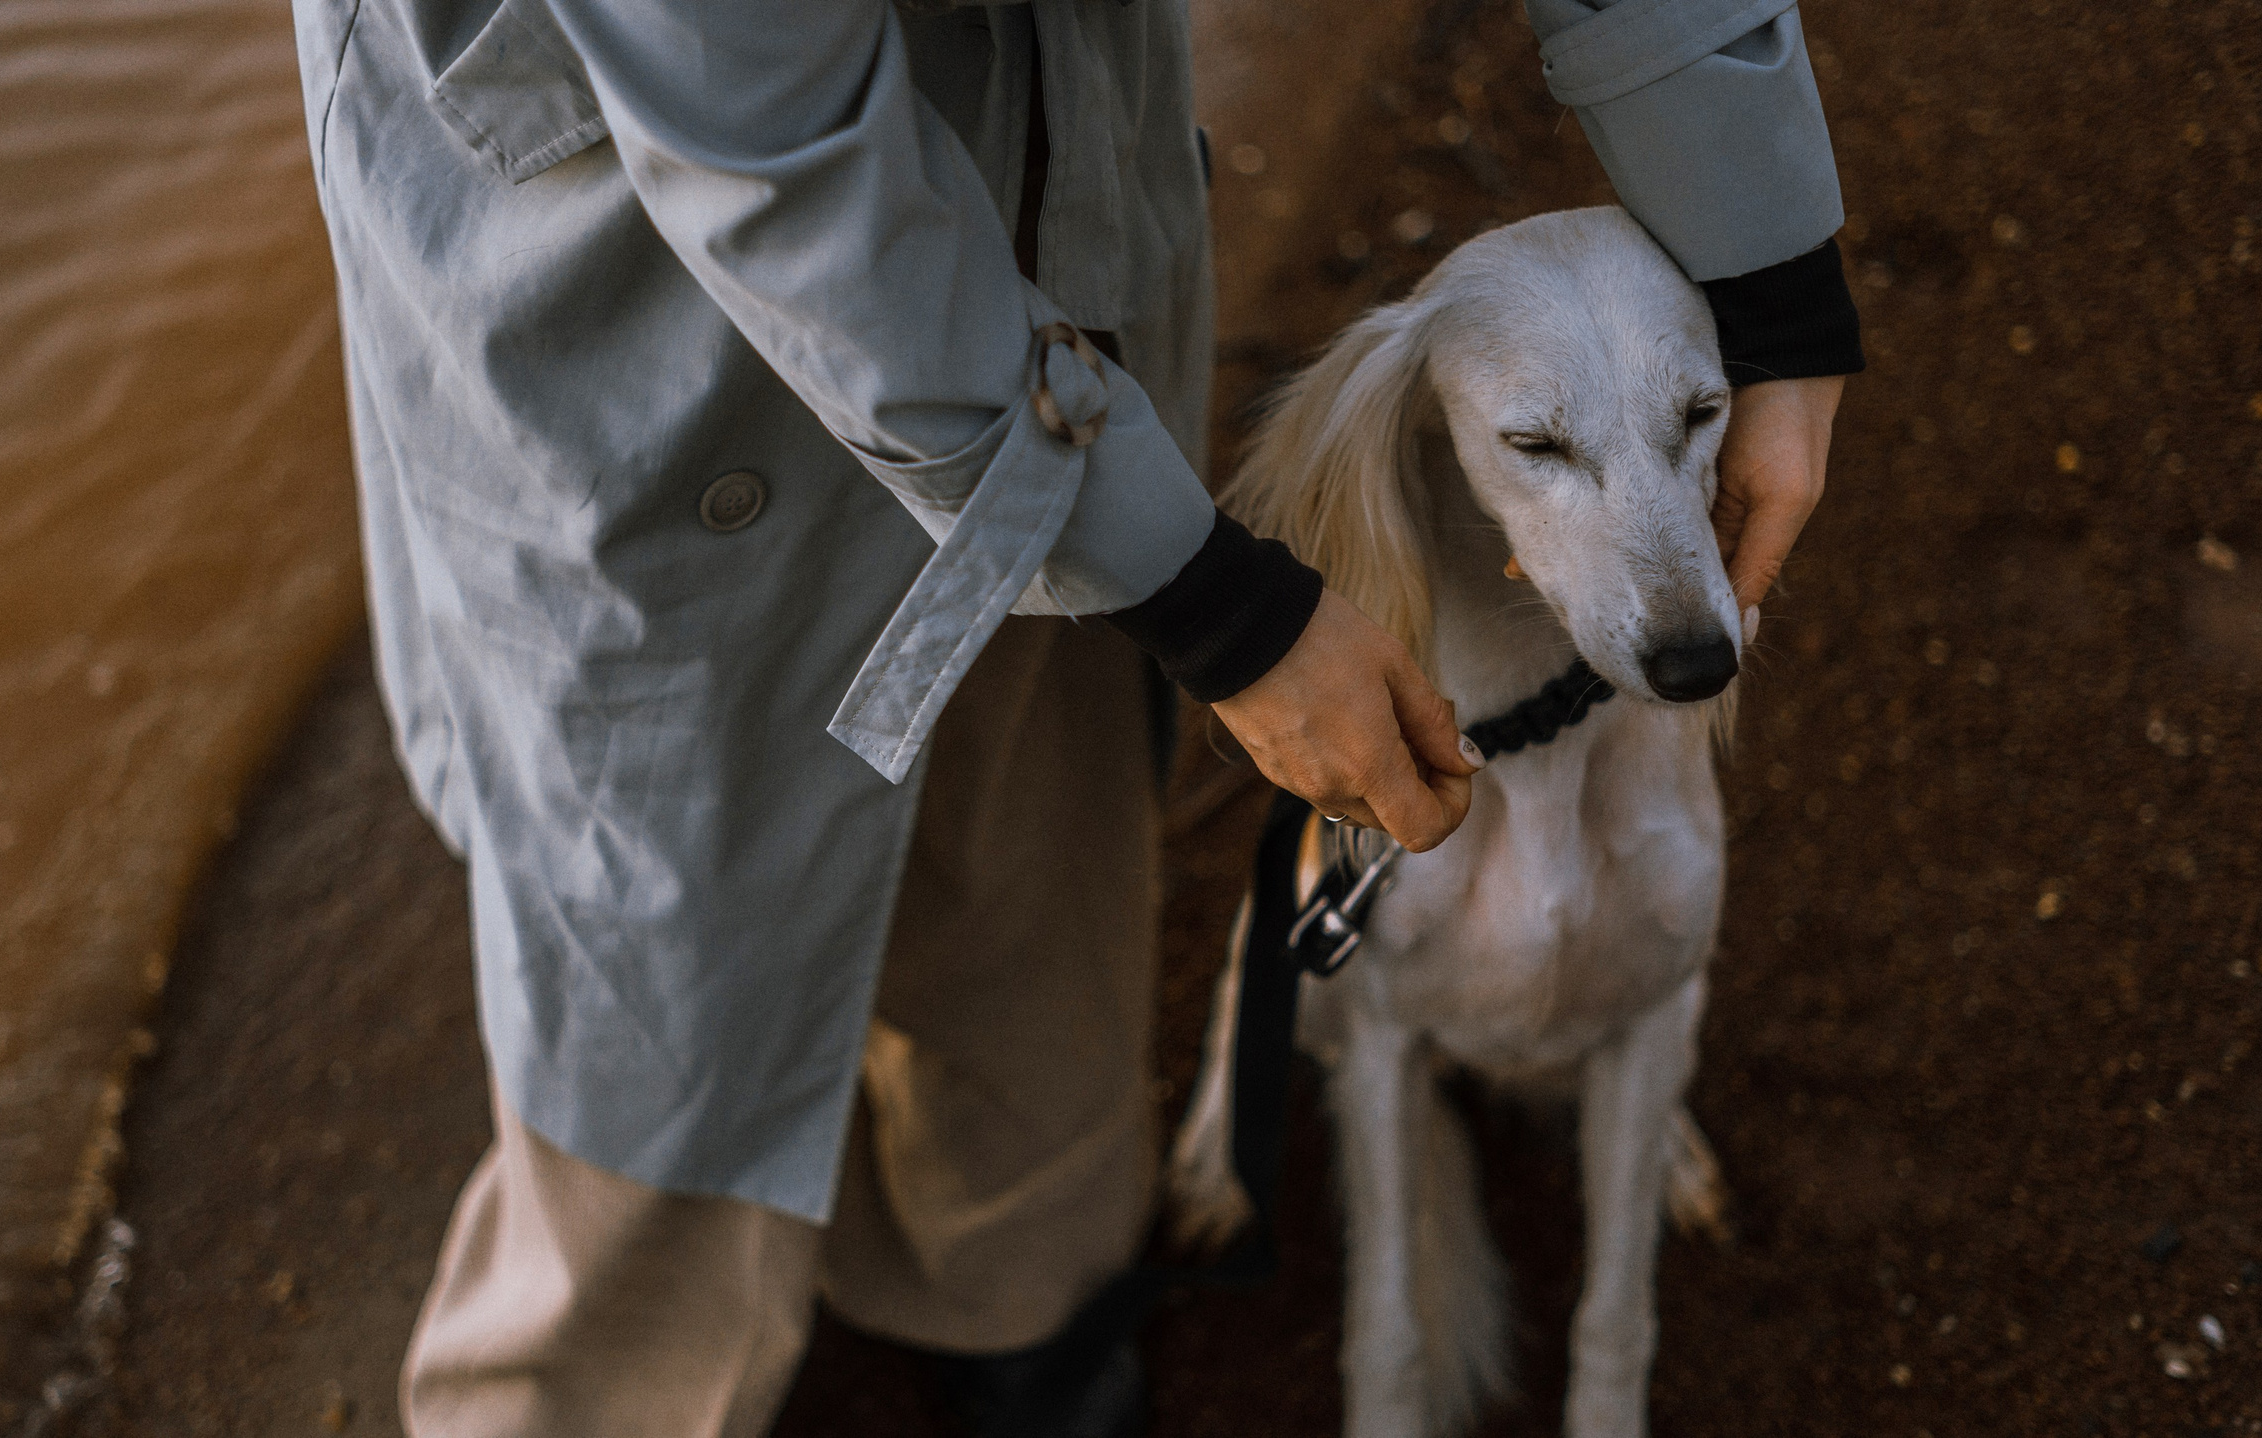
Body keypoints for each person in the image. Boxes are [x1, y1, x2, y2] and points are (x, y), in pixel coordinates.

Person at [289, 0, 1863, 1433]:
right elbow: (776, 153)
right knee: (666, 886)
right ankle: (599, 1382)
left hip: (1038, 131)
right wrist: (1221, 610)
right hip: (634, 208)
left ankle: (1007, 1288)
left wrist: (1771, 262)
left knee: (1033, 776)